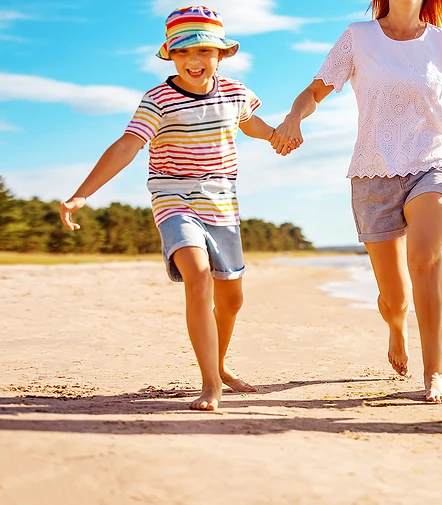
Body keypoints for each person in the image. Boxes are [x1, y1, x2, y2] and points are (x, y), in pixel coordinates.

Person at [59, 5, 289, 411]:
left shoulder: (236, 92)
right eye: (182, 52)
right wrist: (82, 194)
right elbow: (127, 145)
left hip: (222, 201)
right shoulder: (158, 99)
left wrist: (275, 136)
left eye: (203, 51)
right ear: (170, 55)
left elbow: (249, 122)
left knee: (232, 299)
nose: (193, 61)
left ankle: (219, 366)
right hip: (173, 197)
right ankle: (209, 384)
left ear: (221, 54)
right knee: (197, 275)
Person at [271, 0, 442, 403]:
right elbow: (315, 90)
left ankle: (434, 375)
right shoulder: (359, 37)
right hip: (372, 175)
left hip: (430, 166)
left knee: (425, 258)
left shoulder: (441, 43)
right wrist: (293, 118)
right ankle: (396, 326)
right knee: (395, 300)